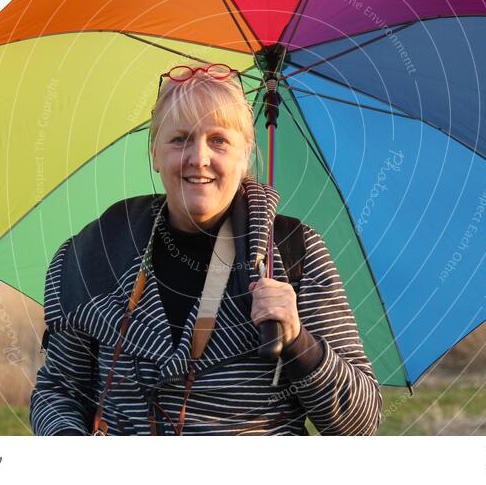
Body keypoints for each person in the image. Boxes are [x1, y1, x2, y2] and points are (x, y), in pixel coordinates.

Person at [29, 64, 382, 435]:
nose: (198, 158)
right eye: (180, 139)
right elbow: (59, 392)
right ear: (154, 153)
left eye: (219, 140)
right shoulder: (94, 254)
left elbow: (360, 424)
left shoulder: (294, 253)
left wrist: (297, 341)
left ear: (245, 155)